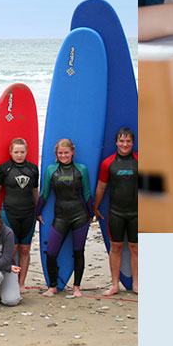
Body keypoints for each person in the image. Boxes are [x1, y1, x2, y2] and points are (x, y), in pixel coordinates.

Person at [37, 139, 92, 298]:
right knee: (51, 252)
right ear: (56, 153)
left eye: (66, 152)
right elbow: (45, 193)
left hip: (79, 215)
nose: (63, 155)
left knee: (78, 252)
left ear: (72, 152)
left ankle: (76, 287)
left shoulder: (81, 169)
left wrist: (91, 214)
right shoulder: (50, 170)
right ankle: (52, 286)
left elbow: (87, 193)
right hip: (60, 216)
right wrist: (38, 212)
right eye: (60, 153)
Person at [0, 138, 39, 291]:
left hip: (29, 213)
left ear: (26, 152)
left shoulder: (33, 169)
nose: (19, 155)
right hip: (9, 213)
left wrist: (39, 210)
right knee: (12, 249)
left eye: (22, 152)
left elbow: (35, 192)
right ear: (10, 152)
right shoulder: (3, 169)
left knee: (25, 249)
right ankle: (11, 281)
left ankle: (21, 283)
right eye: (16, 152)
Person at [93, 127, 138, 295]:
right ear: (116, 142)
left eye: (128, 141)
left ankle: (136, 283)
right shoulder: (108, 163)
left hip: (137, 213)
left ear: (132, 142)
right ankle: (114, 284)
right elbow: (101, 186)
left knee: (135, 247)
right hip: (116, 212)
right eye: (121, 141)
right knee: (116, 247)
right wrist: (95, 208)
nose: (124, 144)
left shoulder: (140, 160)